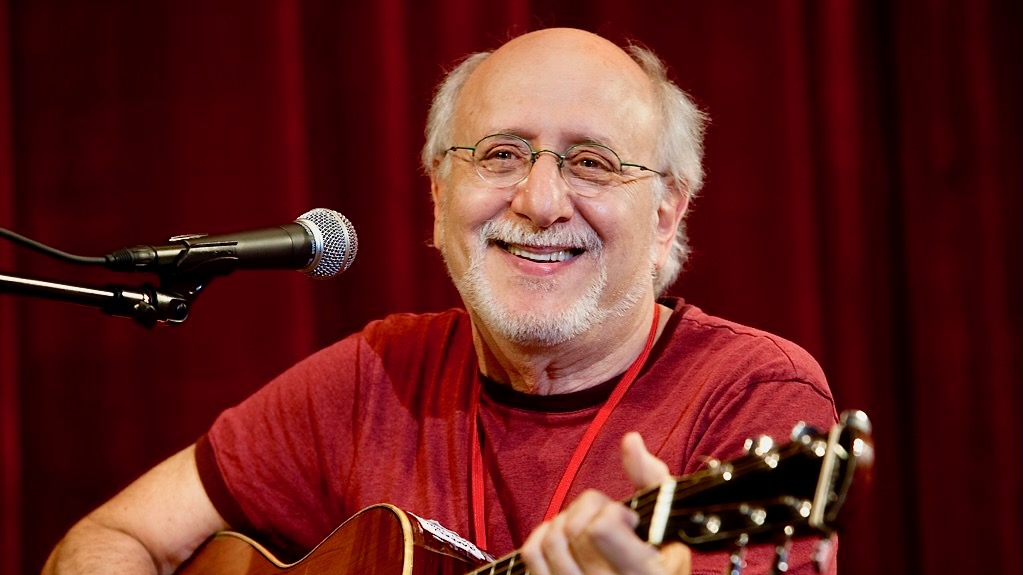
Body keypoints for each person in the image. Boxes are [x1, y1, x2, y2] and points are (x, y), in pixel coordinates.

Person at [42, 27, 838, 575]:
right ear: (437, 195)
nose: (540, 200)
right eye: (499, 154)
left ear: (667, 213)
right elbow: (113, 537)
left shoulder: (750, 395)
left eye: (591, 162)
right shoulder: (373, 377)